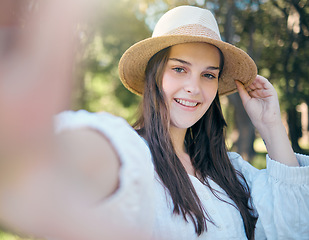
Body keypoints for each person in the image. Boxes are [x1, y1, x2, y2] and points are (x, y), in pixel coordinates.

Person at [0, 4, 308, 240]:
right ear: (154, 75)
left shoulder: (231, 171)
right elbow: (89, 159)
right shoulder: (133, 156)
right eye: (179, 69)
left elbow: (292, 229)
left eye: (208, 75)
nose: (194, 87)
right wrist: (33, 148)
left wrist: (270, 126)